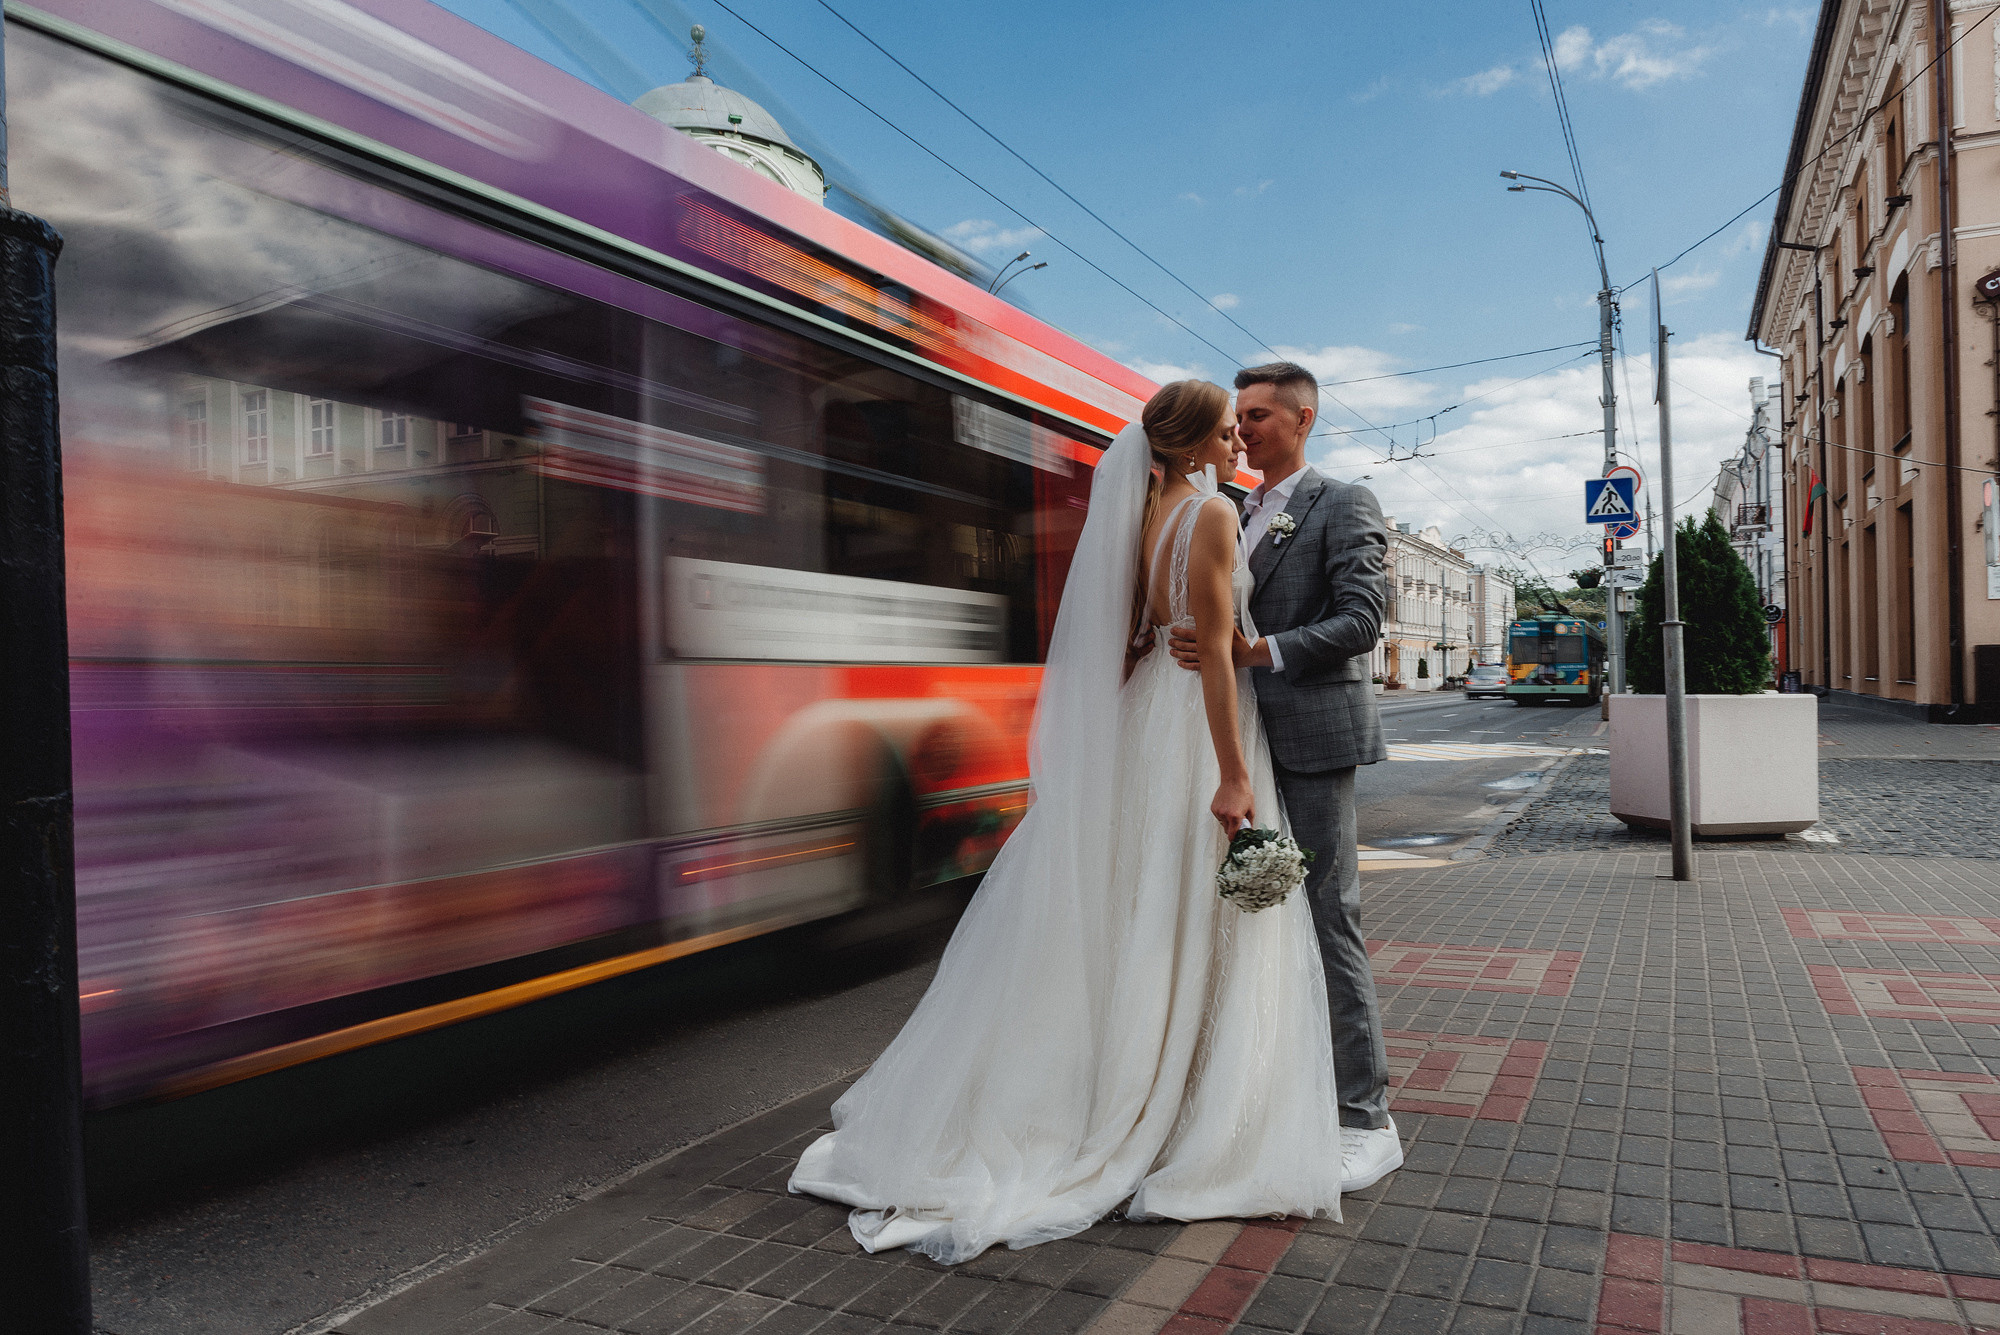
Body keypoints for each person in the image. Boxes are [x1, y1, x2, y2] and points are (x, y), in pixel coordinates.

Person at [789, 381, 1346, 1264]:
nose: (1238, 436)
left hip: (1142, 727)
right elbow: (1208, 657)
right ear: (1196, 441)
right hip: (1198, 730)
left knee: (1136, 906)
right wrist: (1234, 774)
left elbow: (1130, 637)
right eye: (1225, 427)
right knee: (1190, 915)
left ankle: (1126, 1081)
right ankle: (1179, 1108)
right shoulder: (1208, 516)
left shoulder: (1142, 511)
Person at [1168, 362, 1401, 1193]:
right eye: (1240, 416)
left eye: (1261, 415)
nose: (1245, 429)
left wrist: (1253, 649)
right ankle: (1272, 1087)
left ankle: (1365, 1115)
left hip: (1309, 735)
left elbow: (1363, 619)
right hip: (1241, 737)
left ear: (1304, 418)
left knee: (1327, 914)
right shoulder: (1228, 508)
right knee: (1250, 920)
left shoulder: (1343, 502)